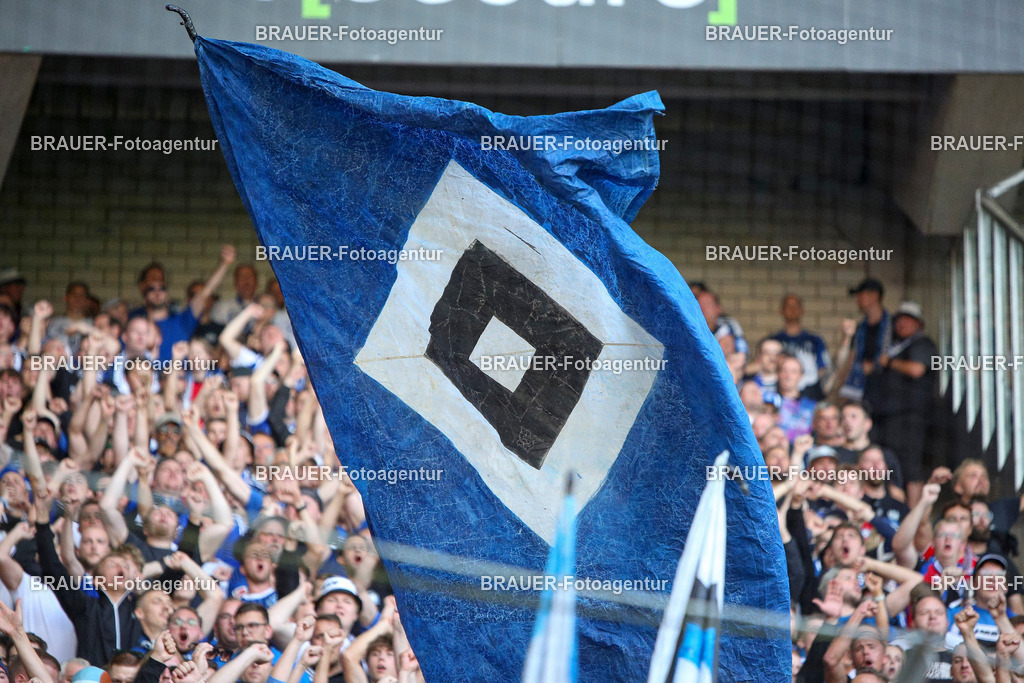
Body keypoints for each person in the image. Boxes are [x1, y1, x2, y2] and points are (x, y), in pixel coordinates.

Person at [866, 301, 937, 508]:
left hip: (911, 419)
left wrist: (889, 363)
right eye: (899, 319)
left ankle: (914, 515)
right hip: (888, 419)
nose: (902, 323)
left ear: (919, 324)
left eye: (908, 320)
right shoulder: (895, 345)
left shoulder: (923, 344)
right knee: (890, 466)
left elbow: (917, 369)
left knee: (911, 469)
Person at [838, 278, 891, 402]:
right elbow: (851, 358)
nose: (857, 299)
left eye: (860, 295)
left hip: (886, 392)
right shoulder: (860, 329)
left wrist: (875, 366)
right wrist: (843, 385)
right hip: (859, 391)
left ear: (874, 296)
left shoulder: (893, 326)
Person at [772, 294, 830, 394]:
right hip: (780, 394)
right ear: (781, 310)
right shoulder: (773, 341)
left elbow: (823, 370)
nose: (792, 309)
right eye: (789, 306)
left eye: (796, 306)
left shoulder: (815, 341)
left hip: (810, 394)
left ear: (802, 310)